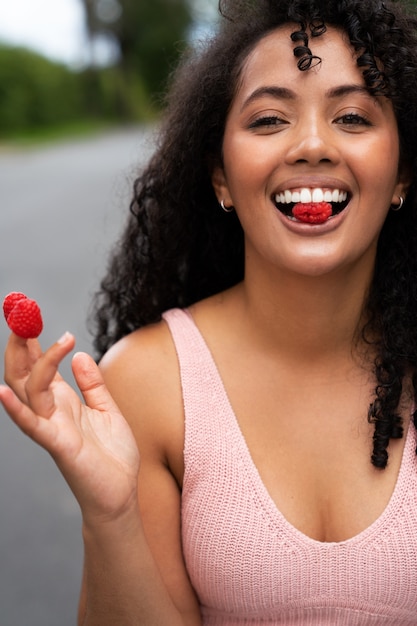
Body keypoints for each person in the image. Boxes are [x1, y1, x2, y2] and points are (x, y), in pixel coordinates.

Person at [2, 0, 417, 623]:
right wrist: (111, 518)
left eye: (352, 116)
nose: (311, 145)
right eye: (270, 118)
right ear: (221, 176)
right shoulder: (147, 381)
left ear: (404, 170)